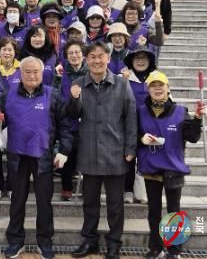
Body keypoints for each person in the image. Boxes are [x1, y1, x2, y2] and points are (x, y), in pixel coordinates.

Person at [0, 56, 73, 259]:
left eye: (36, 71)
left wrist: (64, 150)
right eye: (27, 71)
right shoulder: (8, 95)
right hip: (17, 157)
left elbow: (65, 126)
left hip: (43, 156)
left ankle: (44, 242)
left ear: (42, 73)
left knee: (44, 202)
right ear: (20, 73)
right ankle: (15, 241)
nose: (31, 75)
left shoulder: (53, 95)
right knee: (17, 201)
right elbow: (0, 123)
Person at [67, 42, 137, 259]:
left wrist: (130, 147)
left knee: (115, 205)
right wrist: (74, 98)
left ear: (108, 58)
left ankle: (114, 244)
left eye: (100, 56)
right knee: (90, 203)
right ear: (86, 60)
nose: (97, 61)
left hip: (115, 153)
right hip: (89, 152)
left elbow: (131, 118)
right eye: (92, 57)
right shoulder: (78, 84)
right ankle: (90, 241)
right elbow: (72, 115)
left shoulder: (121, 84)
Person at [138, 71, 205, 259]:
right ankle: (155, 248)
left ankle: (174, 251)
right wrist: (141, 139)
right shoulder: (141, 111)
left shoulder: (180, 111)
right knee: (153, 211)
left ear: (168, 89)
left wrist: (197, 119)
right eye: (153, 86)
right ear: (148, 90)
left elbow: (192, 137)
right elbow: (134, 135)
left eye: (161, 85)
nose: (157, 89)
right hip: (151, 167)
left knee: (173, 211)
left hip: (173, 168)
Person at [121, 45, 158, 204]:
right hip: (128, 125)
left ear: (150, 61)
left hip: (150, 125)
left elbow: (166, 98)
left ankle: (142, 192)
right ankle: (127, 190)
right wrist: (122, 81)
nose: (140, 61)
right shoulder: (124, 76)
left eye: (144, 58)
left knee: (146, 157)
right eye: (137, 58)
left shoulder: (156, 78)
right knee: (129, 158)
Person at [53, 40, 88, 201]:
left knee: (86, 155)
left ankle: (87, 188)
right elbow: (55, 93)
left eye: (77, 52)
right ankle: (66, 187)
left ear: (83, 54)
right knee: (66, 151)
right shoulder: (61, 72)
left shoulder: (90, 72)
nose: (74, 56)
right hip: (66, 118)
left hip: (86, 119)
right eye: (70, 53)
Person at [0, 37, 21, 200]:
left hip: (15, 116)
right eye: (4, 49)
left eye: (10, 49)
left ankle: (12, 185)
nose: (7, 52)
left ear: (15, 52)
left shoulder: (21, 69)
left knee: (14, 153)